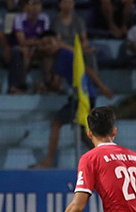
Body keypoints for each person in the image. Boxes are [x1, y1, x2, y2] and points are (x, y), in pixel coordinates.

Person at [29, 31, 114, 169]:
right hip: (86, 95)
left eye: (49, 42)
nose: (47, 46)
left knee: (57, 123)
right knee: (84, 133)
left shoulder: (63, 55)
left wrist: (103, 87)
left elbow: (59, 83)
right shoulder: (62, 56)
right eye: (44, 44)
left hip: (81, 98)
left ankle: (48, 161)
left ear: (58, 40)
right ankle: (106, 161)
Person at [8, 0, 50, 94]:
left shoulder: (45, 18)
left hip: (37, 48)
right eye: (32, 4)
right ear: (26, 6)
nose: (35, 7)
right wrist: (35, 44)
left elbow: (46, 40)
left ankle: (48, 85)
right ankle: (16, 86)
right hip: (20, 47)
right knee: (19, 52)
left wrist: (34, 46)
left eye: (38, 4)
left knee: (49, 52)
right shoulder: (19, 18)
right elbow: (22, 41)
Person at [51, 0, 98, 72]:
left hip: (77, 46)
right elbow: (59, 42)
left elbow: (84, 38)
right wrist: (75, 50)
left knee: (90, 53)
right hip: (63, 48)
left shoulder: (79, 20)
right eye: (65, 3)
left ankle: (92, 79)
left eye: (70, 3)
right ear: (60, 5)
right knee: (68, 54)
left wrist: (84, 47)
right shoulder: (55, 21)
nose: (68, 5)